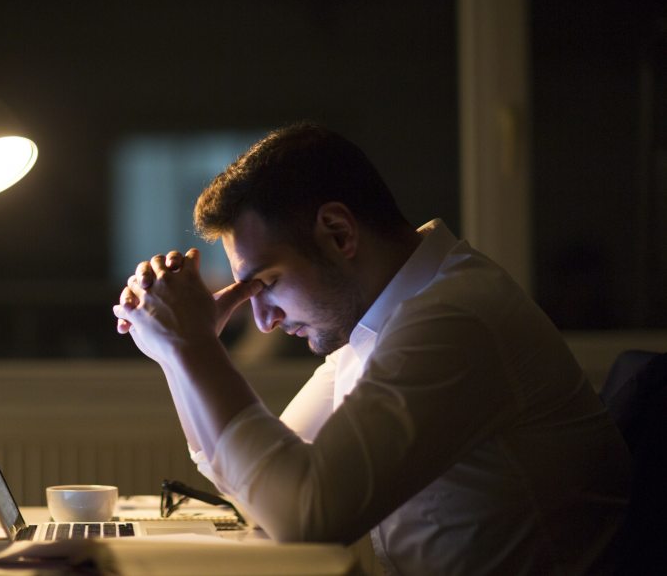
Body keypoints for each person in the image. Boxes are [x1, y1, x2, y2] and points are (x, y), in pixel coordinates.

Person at [112, 122, 631, 575]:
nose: (263, 321)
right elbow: (258, 491)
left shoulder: (455, 320)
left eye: (265, 282)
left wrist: (193, 345)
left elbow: (305, 518)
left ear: (338, 233)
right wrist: (172, 352)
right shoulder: (376, 325)